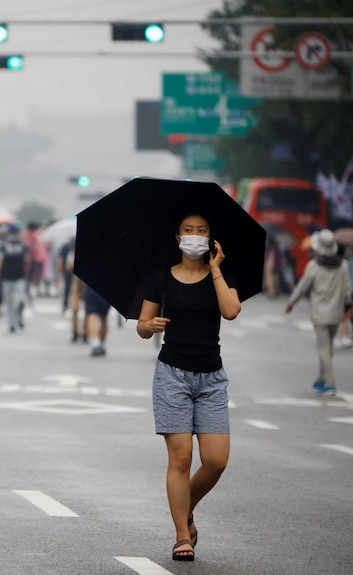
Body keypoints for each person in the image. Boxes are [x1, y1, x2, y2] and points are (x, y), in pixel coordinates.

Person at [136, 213, 241, 562]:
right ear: (177, 237)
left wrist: (216, 269)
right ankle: (182, 534)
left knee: (216, 461)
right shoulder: (161, 277)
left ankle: (185, 506)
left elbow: (231, 312)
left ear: (211, 238)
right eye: (188, 231)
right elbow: (141, 326)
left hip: (211, 377)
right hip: (172, 375)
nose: (195, 236)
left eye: (202, 231)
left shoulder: (221, 275)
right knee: (181, 458)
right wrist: (150, 325)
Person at [286, 229, 353, 395]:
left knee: (324, 349)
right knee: (328, 348)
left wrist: (291, 302)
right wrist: (349, 306)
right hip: (336, 314)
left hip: (320, 314)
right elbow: (348, 290)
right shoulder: (343, 266)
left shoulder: (314, 266)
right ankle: (322, 379)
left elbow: (303, 286)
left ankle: (330, 383)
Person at [0, 224, 29, 333]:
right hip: (7, 277)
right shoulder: (3, 245)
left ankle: (19, 318)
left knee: (20, 300)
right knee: (9, 302)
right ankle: (11, 324)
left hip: (19, 277)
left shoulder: (23, 245)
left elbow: (26, 260)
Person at [84, 285, 111, 357]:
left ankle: (96, 343)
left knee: (92, 315)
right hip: (107, 289)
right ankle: (101, 344)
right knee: (104, 318)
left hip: (91, 287)